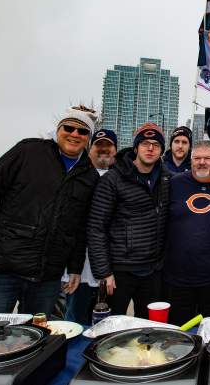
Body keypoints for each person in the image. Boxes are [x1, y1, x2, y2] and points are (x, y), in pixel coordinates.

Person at [0, 107, 99, 316]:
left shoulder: (89, 175)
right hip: (2, 266)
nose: (75, 134)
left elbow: (80, 228)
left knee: (37, 339)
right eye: (68, 128)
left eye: (83, 131)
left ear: (88, 138)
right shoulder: (28, 151)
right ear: (58, 130)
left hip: (47, 275)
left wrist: (75, 267)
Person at [87, 123, 172, 317]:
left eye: (156, 145)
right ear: (135, 148)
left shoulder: (167, 179)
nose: (150, 149)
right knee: (112, 331)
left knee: (148, 333)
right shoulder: (113, 179)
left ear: (161, 150)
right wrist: (104, 272)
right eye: (145, 143)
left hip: (153, 271)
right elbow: (96, 227)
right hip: (119, 271)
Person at [164, 141, 210, 325]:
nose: (202, 162)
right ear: (191, 160)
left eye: (207, 158)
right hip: (178, 279)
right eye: (197, 158)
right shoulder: (175, 183)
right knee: (180, 336)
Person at [62, 128, 118, 324]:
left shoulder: (120, 178)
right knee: (75, 320)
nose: (103, 150)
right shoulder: (78, 175)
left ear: (115, 150)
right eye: (98, 146)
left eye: (108, 146)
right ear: (90, 148)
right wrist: (71, 266)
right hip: (80, 267)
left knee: (106, 322)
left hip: (110, 265)